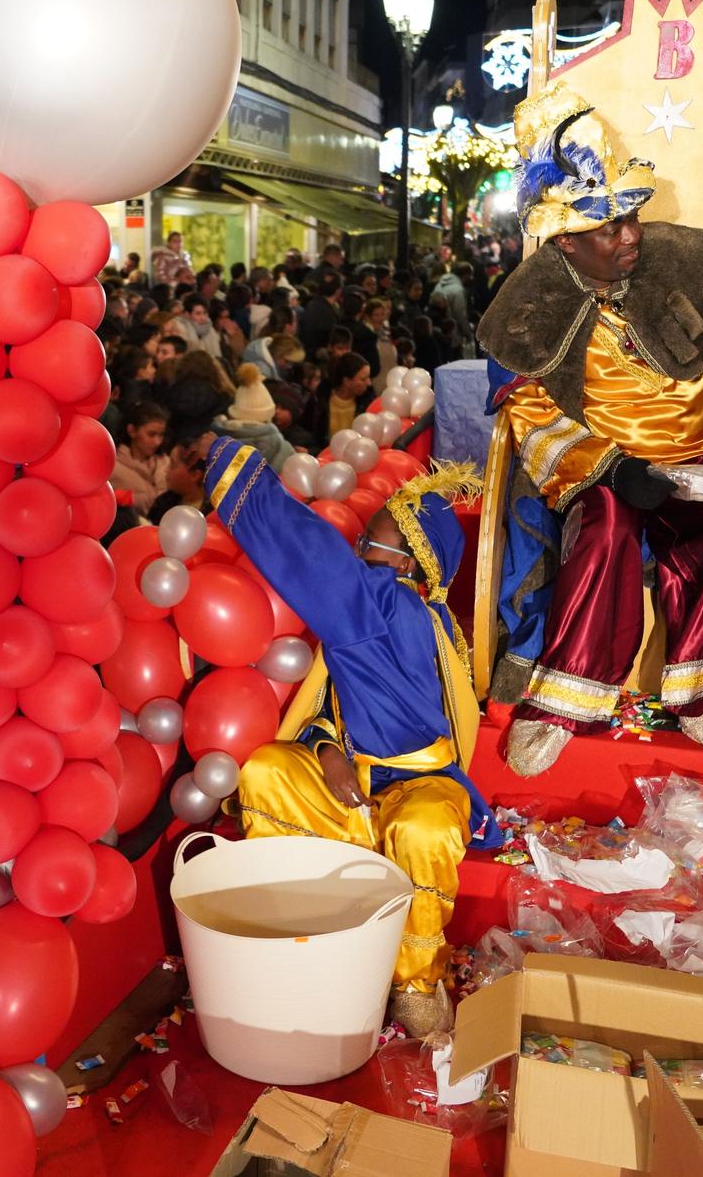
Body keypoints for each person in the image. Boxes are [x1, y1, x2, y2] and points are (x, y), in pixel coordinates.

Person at [481, 78, 703, 784]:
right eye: (610, 226)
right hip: (604, 470)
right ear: (566, 240)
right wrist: (608, 470)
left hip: (697, 458)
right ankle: (565, 705)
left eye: (632, 215)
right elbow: (527, 411)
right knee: (602, 526)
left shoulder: (676, 255)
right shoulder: (531, 300)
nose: (630, 235)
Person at [207, 438, 493, 1036]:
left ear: (408, 561)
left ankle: (415, 985)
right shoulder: (404, 614)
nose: (357, 550)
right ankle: (296, 932)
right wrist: (330, 751)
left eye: (371, 542)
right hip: (355, 784)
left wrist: (233, 468)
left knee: (424, 828)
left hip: (422, 786)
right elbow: (342, 706)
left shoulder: (385, 608)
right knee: (267, 772)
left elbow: (306, 551)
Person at [112, 401, 172, 515]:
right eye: (151, 434)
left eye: (161, 435)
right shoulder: (114, 467)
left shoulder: (167, 463)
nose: (157, 442)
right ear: (132, 431)